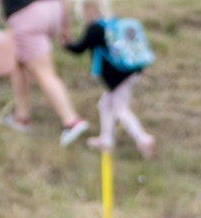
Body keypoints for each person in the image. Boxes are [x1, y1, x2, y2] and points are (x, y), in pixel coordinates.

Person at [0, 0, 91, 145]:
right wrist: (65, 26)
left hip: (28, 14)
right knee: (17, 62)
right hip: (53, 10)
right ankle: (21, 117)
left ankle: (71, 121)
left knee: (43, 72)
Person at [65, 0, 156, 159]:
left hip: (120, 77)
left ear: (88, 10)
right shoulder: (112, 23)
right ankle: (106, 139)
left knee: (121, 109)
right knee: (105, 104)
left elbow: (79, 49)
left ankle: (143, 138)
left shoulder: (94, 29)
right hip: (131, 71)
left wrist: (66, 43)